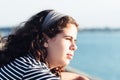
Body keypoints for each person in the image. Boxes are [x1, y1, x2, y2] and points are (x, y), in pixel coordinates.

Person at [0, 9, 89, 80]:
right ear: (45, 40)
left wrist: (78, 77)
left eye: (75, 41)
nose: (74, 47)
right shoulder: (30, 70)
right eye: (68, 39)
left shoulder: (22, 63)